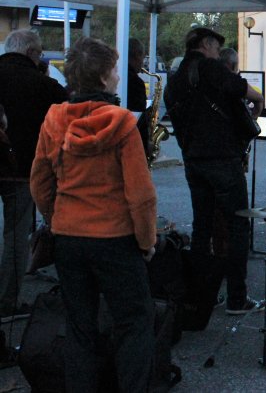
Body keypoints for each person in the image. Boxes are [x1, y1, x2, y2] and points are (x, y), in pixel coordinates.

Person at [29, 37, 156, 392]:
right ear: (103, 77)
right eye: (115, 69)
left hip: (70, 238)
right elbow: (140, 194)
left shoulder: (54, 119)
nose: (118, 76)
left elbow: (39, 182)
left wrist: (57, 218)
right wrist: (147, 240)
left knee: (79, 327)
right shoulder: (122, 124)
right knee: (134, 322)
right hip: (115, 239)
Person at [164, 27, 265, 315]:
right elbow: (242, 89)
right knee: (237, 226)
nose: (218, 55)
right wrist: (256, 104)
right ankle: (236, 298)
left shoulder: (176, 78)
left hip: (193, 160)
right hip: (222, 158)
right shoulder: (210, 68)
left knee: (201, 228)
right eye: (217, 49)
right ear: (206, 45)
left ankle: (200, 296)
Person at [0, 29, 68, 322]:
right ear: (31, 53)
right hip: (20, 170)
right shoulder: (43, 84)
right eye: (40, 53)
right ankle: (8, 302)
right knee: (15, 235)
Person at [127, 38, 147, 113]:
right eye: (143, 57)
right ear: (137, 55)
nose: (142, 62)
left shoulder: (119, 74)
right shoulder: (136, 82)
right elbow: (140, 113)